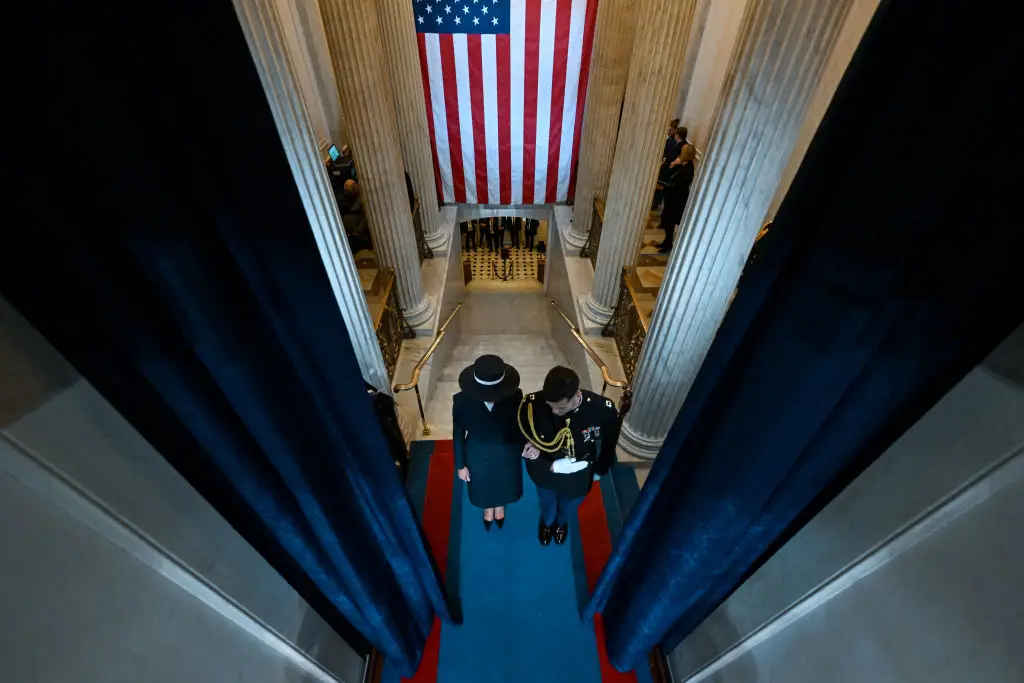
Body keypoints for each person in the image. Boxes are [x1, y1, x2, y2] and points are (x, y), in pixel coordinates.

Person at [518, 367, 620, 546]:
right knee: (547, 504)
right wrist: (532, 454)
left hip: (579, 473)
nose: (555, 411)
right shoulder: (531, 406)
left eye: (561, 407)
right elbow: (520, 438)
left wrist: (600, 469)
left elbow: (609, 443)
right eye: (551, 406)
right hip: (546, 469)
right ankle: (548, 523)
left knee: (569, 505)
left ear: (577, 394)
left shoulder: (602, 409)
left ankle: (561, 524)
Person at [454, 355, 525, 530]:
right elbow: (458, 432)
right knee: (483, 486)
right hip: (478, 454)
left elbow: (521, 424)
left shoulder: (515, 395)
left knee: (505, 483)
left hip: (507, 451)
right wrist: (460, 464)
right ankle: (488, 507)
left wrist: (525, 445)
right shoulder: (461, 401)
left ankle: (500, 505)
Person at [657, 144, 696, 253]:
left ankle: (668, 244)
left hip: (677, 200)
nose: (680, 154)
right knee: (667, 220)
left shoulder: (688, 169)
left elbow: (677, 183)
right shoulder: (683, 165)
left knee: (670, 221)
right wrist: (673, 165)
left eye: (682, 152)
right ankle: (666, 241)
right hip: (673, 198)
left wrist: (673, 166)